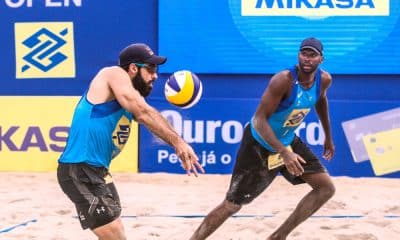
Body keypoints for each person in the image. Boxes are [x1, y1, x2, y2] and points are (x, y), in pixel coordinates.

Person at [190, 37, 336, 240]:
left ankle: (278, 236)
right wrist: (284, 153)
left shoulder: (324, 79)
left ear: (321, 59)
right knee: (232, 204)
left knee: (325, 188)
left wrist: (328, 136)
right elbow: (259, 120)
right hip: (258, 143)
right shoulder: (283, 80)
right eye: (304, 53)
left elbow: (320, 99)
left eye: (313, 55)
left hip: (286, 140)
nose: (307, 59)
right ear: (298, 55)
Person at [57, 43, 204, 240]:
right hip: (79, 169)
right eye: (150, 69)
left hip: (98, 172)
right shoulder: (113, 74)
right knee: (115, 234)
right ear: (133, 68)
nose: (155, 76)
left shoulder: (129, 101)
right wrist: (178, 143)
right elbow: (143, 112)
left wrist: (177, 142)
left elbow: (149, 115)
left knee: (114, 231)